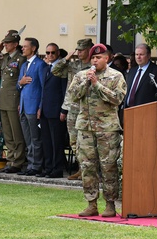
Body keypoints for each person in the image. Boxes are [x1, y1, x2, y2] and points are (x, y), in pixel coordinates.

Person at [70, 43, 126, 218]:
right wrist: (87, 82)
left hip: (107, 129)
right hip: (85, 128)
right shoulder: (81, 75)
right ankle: (91, 203)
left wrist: (97, 84)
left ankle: (110, 204)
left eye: (99, 57)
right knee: (87, 167)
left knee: (108, 166)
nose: (95, 60)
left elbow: (117, 99)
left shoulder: (116, 76)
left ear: (107, 59)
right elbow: (73, 95)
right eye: (93, 57)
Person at [55, 38, 93, 180]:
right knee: (73, 141)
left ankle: (89, 171)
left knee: (86, 141)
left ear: (89, 50)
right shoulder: (73, 65)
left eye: (82, 50)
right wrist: (66, 58)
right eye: (77, 49)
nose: (79, 52)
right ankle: (80, 168)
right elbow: (55, 70)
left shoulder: (93, 66)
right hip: (72, 107)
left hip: (86, 108)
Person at [0, 30, 27, 174]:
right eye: (4, 42)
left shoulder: (20, 59)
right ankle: (11, 159)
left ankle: (18, 161)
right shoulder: (6, 58)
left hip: (14, 99)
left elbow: (22, 79)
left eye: (7, 43)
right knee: (7, 133)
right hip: (3, 99)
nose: (5, 45)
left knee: (16, 132)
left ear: (15, 44)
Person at [17, 37, 46, 176]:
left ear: (33, 48)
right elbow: (18, 85)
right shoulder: (23, 65)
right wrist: (21, 82)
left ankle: (37, 165)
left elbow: (43, 87)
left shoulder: (40, 64)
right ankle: (30, 164)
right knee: (27, 138)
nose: (23, 48)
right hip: (23, 105)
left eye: (25, 46)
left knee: (35, 138)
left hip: (33, 106)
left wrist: (40, 106)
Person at [39, 44, 68, 178]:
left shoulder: (62, 69)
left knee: (56, 141)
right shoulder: (45, 69)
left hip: (56, 110)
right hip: (45, 109)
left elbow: (64, 91)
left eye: (53, 53)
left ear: (58, 53)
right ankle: (48, 167)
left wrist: (63, 109)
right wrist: (40, 107)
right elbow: (43, 91)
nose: (50, 55)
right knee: (46, 140)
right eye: (48, 53)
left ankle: (57, 168)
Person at [123, 44, 157, 113]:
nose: (138, 57)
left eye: (141, 54)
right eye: (136, 54)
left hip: (145, 113)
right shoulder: (132, 71)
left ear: (148, 55)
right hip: (128, 111)